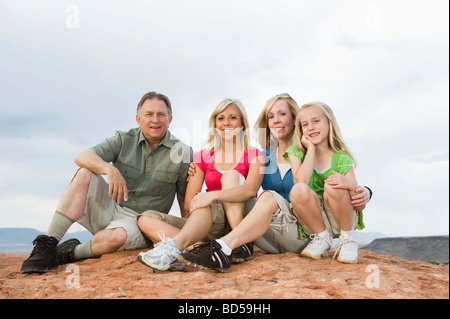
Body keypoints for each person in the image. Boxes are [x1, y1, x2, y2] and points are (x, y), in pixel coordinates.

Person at [178, 94, 371, 272]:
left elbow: (338, 177)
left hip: (308, 230)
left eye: (282, 114)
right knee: (253, 194)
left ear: (295, 119)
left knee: (271, 196)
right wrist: (198, 167)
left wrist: (367, 191)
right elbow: (244, 181)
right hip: (274, 230)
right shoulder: (265, 156)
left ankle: (224, 246)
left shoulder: (309, 151)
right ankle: (232, 247)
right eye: (271, 116)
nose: (276, 120)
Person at [20, 92, 193, 274]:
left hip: (139, 222)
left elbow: (183, 199)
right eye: (149, 114)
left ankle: (70, 252)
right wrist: (109, 169)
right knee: (85, 172)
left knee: (115, 237)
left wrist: (189, 238)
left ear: (170, 119)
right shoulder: (123, 139)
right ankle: (48, 244)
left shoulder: (183, 153)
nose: (155, 120)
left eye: (161, 115)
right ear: (138, 119)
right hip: (108, 207)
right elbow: (82, 157)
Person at [136, 98, 265, 272]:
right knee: (145, 218)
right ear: (214, 124)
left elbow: (250, 190)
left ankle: (241, 244)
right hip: (210, 220)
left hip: (239, 215)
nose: (226, 122)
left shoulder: (255, 155)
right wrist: (204, 200)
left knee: (230, 176)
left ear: (242, 125)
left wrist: (212, 195)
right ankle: (203, 246)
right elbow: (189, 203)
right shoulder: (203, 156)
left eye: (232, 117)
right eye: (220, 118)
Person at [286, 101, 365, 264]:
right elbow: (302, 181)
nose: (311, 127)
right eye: (305, 124)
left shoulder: (341, 158)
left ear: (329, 123)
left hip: (341, 218)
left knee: (334, 183)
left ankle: (348, 239)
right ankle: (322, 238)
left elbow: (359, 205)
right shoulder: (297, 152)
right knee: (298, 189)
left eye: (316, 121)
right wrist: (311, 150)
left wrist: (349, 184)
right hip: (314, 220)